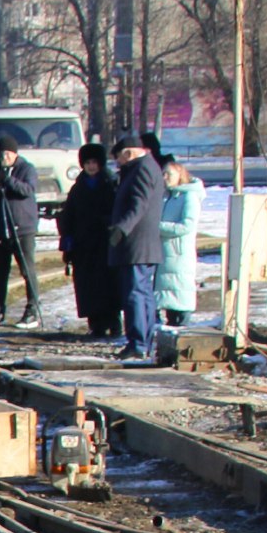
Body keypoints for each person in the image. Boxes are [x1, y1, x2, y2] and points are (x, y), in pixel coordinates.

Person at [0, 138, 43, 326]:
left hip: (22, 228)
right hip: (0, 229)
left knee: (27, 270)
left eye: (8, 154)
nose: (5, 158)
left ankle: (32, 310)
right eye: (2, 154)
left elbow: (27, 190)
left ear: (15, 154)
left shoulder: (26, 169)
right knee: (1, 272)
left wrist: (6, 180)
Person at [107, 135, 164, 363]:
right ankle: (142, 342)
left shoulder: (142, 169)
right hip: (142, 244)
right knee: (142, 294)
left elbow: (139, 204)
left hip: (137, 244)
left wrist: (122, 228)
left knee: (135, 294)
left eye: (119, 158)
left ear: (128, 153)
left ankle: (139, 343)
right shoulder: (146, 167)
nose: (118, 163)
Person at [57, 142, 117, 341]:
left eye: (94, 162)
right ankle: (95, 323)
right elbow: (69, 215)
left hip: (105, 243)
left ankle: (113, 321)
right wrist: (67, 239)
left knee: (109, 285)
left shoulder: (110, 183)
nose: (91, 166)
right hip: (84, 245)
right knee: (87, 286)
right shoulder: (78, 187)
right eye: (88, 162)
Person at [156, 155, 202, 332]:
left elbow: (187, 225)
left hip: (178, 254)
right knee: (166, 295)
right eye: (163, 174)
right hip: (164, 254)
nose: (165, 178)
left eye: (168, 174)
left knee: (180, 294)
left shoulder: (189, 196)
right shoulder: (165, 196)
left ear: (180, 175)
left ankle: (183, 330)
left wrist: (158, 227)